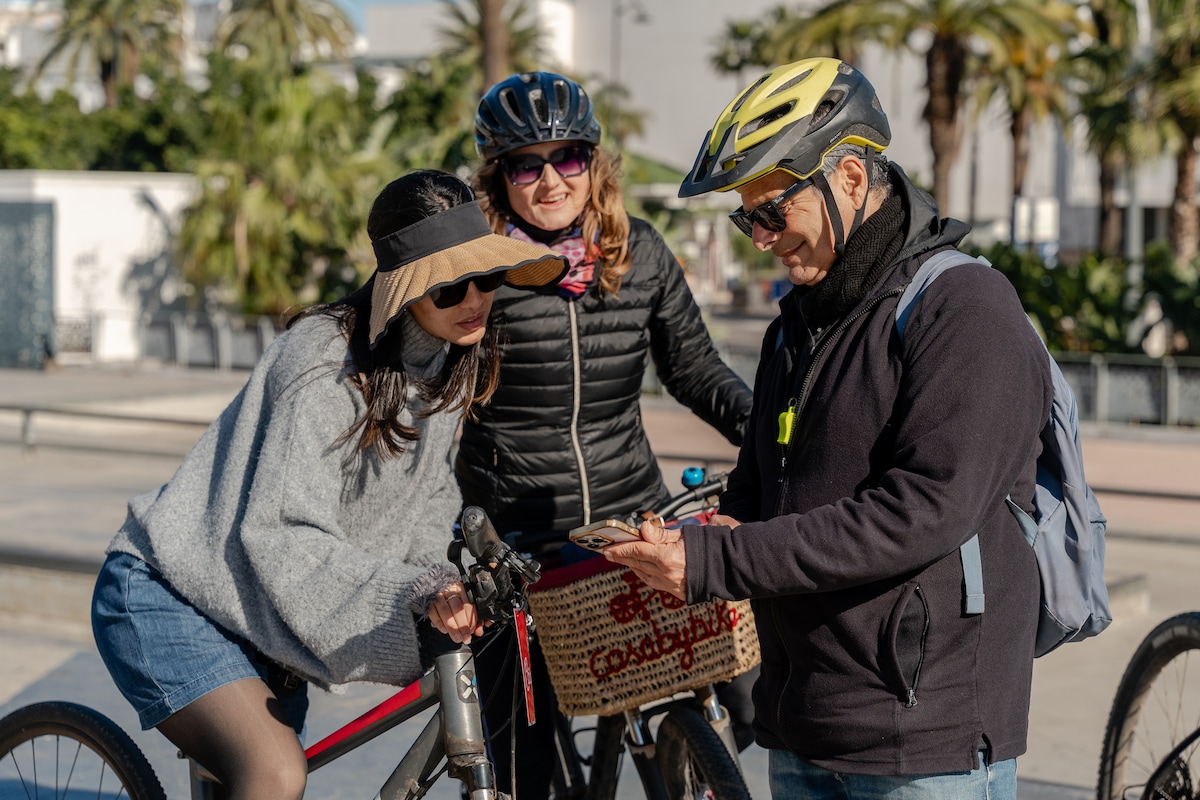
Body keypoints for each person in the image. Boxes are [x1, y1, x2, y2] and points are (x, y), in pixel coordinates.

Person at [605, 57, 1055, 798]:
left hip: (923, 740)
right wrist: (710, 534)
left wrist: (720, 562)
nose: (760, 237)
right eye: (746, 217)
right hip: (803, 722)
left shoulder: (966, 308)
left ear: (850, 178)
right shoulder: (797, 327)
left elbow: (922, 511)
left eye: (772, 212)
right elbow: (762, 494)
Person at [90, 169, 567, 800]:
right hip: (171, 594)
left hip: (262, 614)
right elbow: (280, 533)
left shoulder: (445, 362)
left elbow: (426, 505)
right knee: (275, 775)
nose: (476, 298)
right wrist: (416, 590)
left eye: (487, 276)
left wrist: (446, 574)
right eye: (451, 286)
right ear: (402, 291)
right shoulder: (323, 365)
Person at [457, 70, 756, 797]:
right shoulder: (475, 271)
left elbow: (695, 370)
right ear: (499, 179)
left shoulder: (639, 252)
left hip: (630, 512)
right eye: (527, 164)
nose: (551, 180)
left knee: (735, 689)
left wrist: (778, 439)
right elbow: (433, 401)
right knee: (521, 757)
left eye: (569, 158)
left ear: (595, 164)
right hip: (516, 536)